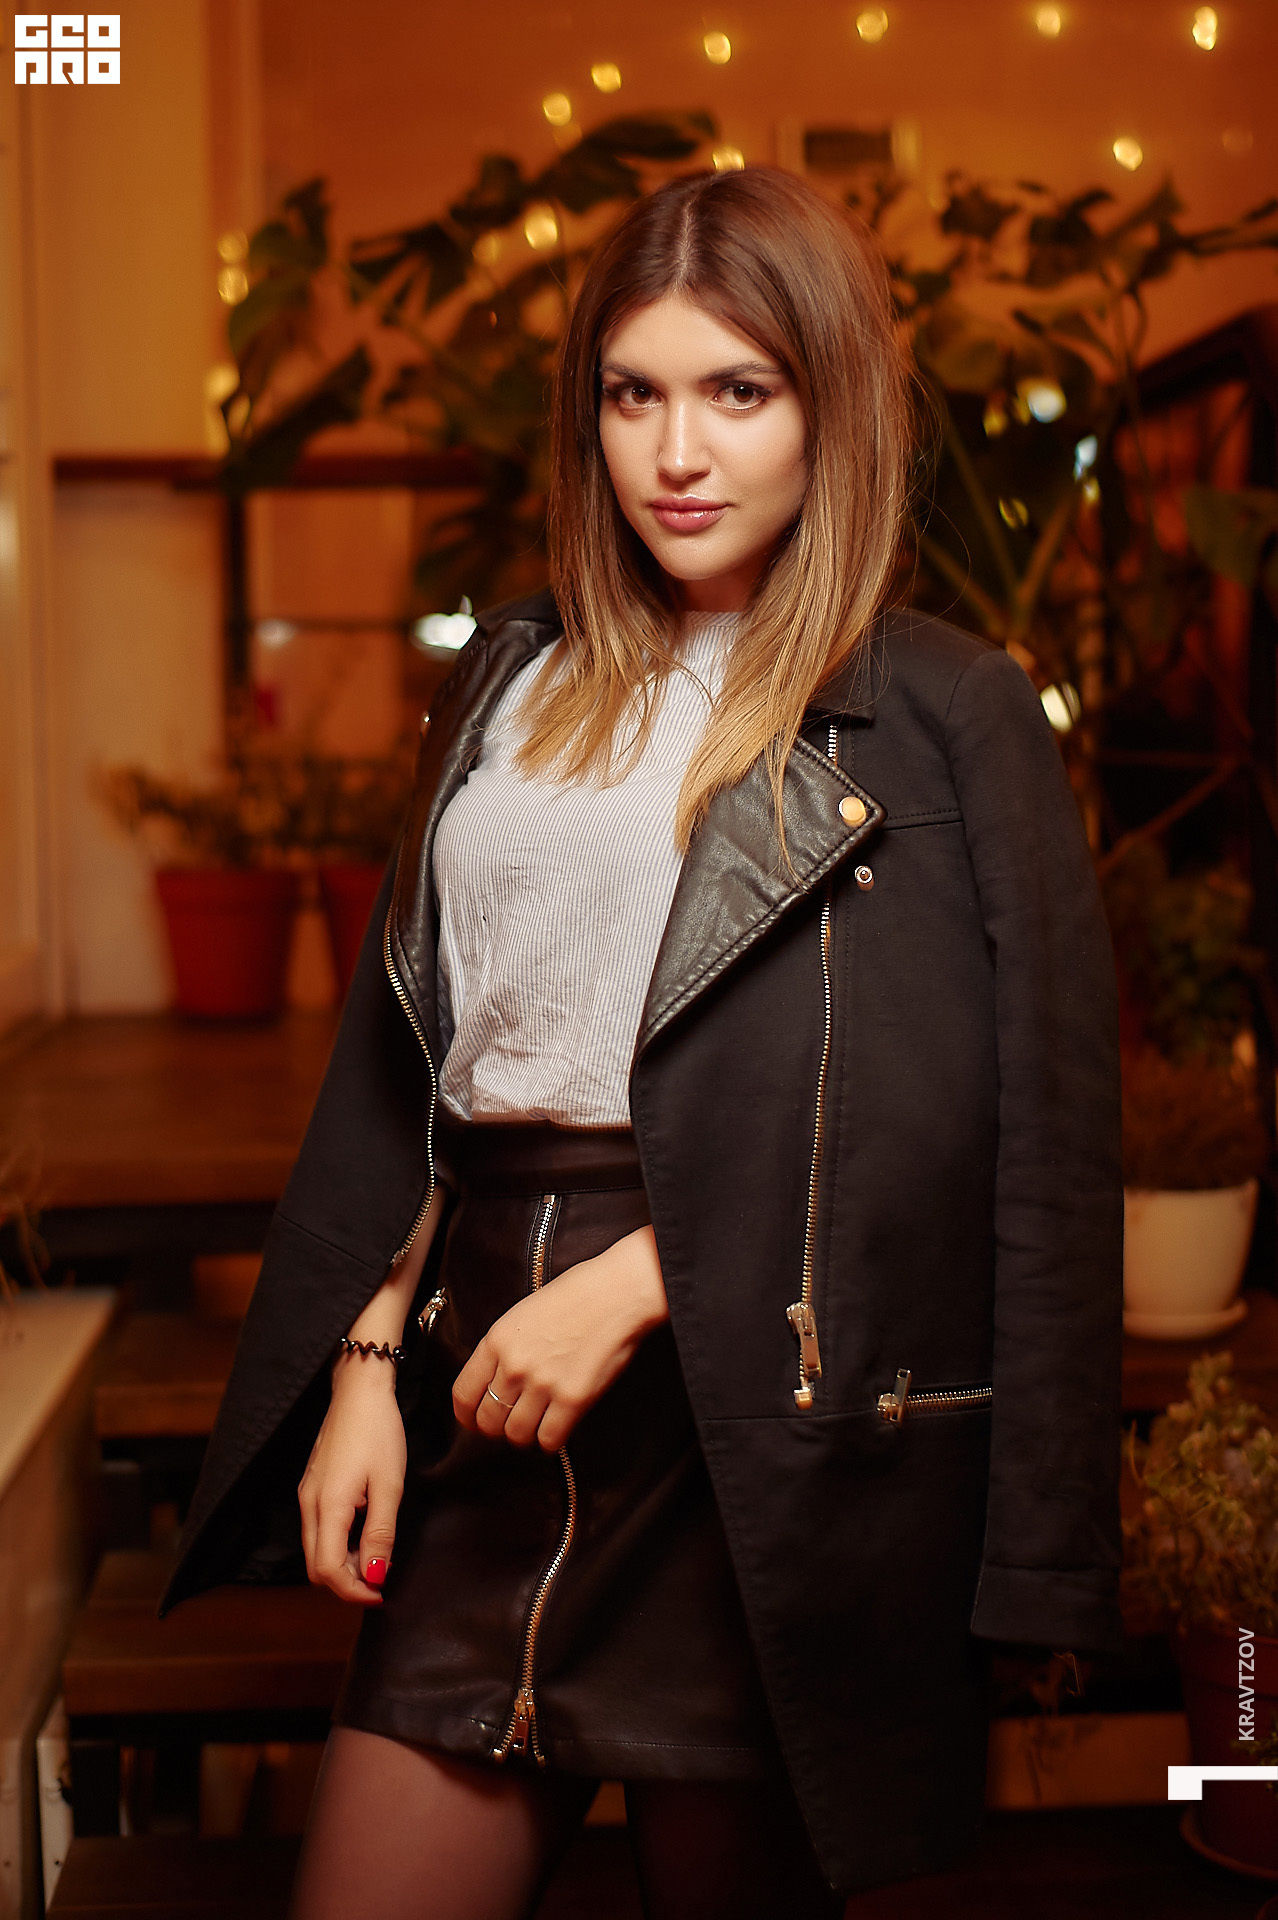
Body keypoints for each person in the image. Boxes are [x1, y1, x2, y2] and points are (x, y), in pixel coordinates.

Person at [162, 165, 1125, 1919]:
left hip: (759, 1434)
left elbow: (996, 1143)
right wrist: (368, 1363)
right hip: (482, 1388)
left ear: (830, 408)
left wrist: (645, 1279)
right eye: (633, 393)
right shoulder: (510, 674)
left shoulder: (941, 713)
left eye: (737, 391)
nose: (677, 451)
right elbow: (429, 1066)